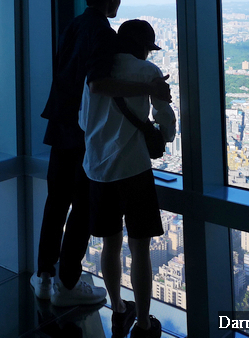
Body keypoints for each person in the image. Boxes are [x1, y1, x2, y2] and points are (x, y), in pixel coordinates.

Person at [30, 0, 171, 308]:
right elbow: (98, 84)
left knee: (55, 202)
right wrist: (149, 88)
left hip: (59, 125)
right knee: (81, 207)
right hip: (82, 132)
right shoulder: (103, 33)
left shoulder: (74, 25)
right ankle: (67, 282)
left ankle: (45, 277)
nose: (119, 1)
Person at [79, 19, 176, 337]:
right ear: (144, 47)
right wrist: (162, 133)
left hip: (98, 170)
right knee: (140, 250)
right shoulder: (147, 72)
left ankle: (118, 309)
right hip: (134, 170)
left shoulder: (96, 74)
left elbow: (83, 121)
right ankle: (145, 323)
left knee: (110, 245)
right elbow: (165, 119)